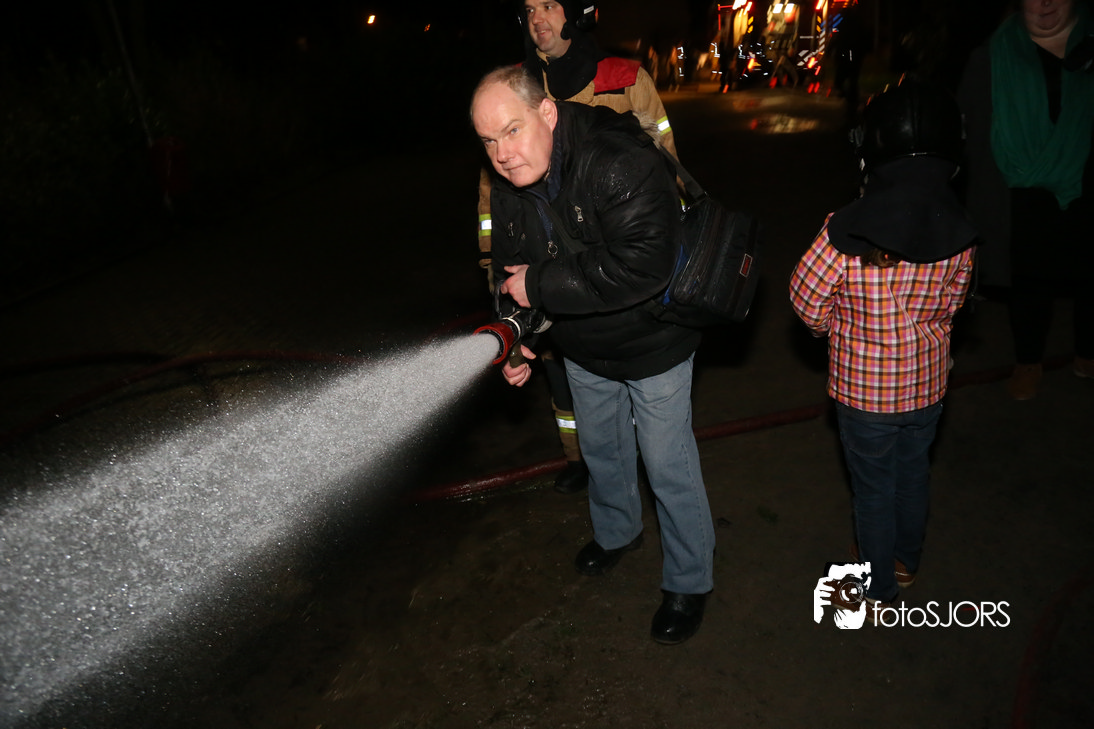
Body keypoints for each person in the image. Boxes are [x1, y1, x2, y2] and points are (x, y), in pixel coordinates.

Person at [470, 66, 715, 645]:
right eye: (488, 140)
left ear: (547, 112)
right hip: (581, 344)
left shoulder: (615, 158)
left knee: (666, 464)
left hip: (654, 341)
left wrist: (540, 285)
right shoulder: (508, 182)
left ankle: (689, 580)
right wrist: (516, 340)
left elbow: (645, 265)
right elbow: (508, 274)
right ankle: (617, 532)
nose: (502, 154)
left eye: (512, 130)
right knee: (602, 449)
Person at [789, 78, 979, 622]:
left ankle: (878, 586)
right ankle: (905, 562)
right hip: (927, 388)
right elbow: (954, 305)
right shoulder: (961, 230)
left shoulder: (845, 230)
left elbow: (805, 299)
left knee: (872, 488)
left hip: (865, 395)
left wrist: (834, 329)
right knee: (913, 474)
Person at [475, 1, 680, 495]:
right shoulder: (507, 93)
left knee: (663, 458)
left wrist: (666, 225)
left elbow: (664, 167)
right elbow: (497, 218)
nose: (537, 18)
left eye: (548, 4)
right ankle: (580, 461)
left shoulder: (623, 79)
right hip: (558, 304)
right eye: (528, 8)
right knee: (573, 403)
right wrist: (509, 312)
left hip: (633, 304)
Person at [957, 0, 1094, 400]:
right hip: (1019, 189)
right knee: (1029, 276)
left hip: (1087, 181)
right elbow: (965, 127)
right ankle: (1028, 361)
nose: (1045, 3)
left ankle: (1088, 352)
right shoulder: (992, 55)